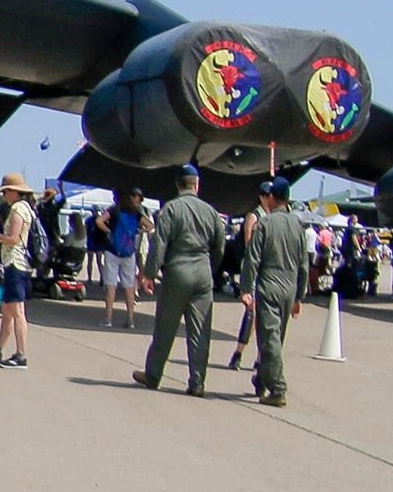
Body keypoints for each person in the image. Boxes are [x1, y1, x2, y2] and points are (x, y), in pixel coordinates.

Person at [134, 164, 227, 394]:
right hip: (203, 271)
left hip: (177, 271)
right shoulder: (211, 211)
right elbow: (220, 246)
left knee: (165, 327)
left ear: (178, 184)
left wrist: (149, 274)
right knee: (200, 331)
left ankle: (153, 375)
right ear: (197, 184)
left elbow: (159, 244)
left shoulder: (170, 210)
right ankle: (197, 382)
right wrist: (210, 268)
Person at [240, 177, 312, 406]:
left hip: (269, 284)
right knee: (276, 338)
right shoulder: (298, 227)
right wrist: (299, 297)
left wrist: (245, 288)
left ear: (271, 198)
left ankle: (278, 389)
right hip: (289, 287)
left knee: (268, 339)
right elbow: (304, 266)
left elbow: (252, 259)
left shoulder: (266, 224)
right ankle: (261, 380)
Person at [0, 172, 36, 368]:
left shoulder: (18, 209)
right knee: (8, 308)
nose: (3, 196)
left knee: (17, 310)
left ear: (13, 192)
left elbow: (13, 238)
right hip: (18, 263)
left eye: (5, 192)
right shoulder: (26, 208)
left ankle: (21, 355)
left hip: (15, 263)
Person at [99, 187, 145, 328]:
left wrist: (108, 231)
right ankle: (130, 320)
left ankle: (108, 319)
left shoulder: (114, 210)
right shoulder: (136, 212)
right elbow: (150, 225)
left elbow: (99, 221)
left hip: (113, 250)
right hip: (129, 251)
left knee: (111, 286)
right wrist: (137, 231)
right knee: (129, 287)